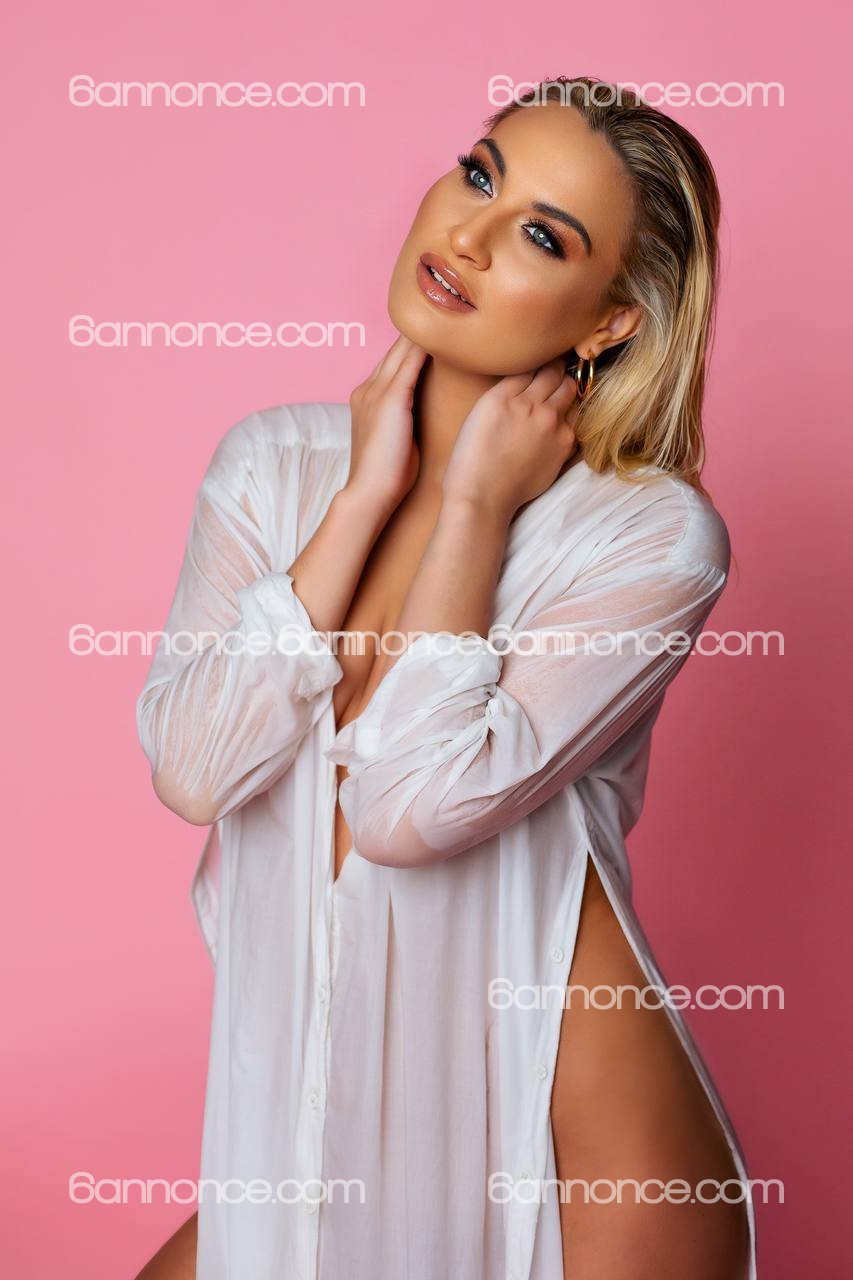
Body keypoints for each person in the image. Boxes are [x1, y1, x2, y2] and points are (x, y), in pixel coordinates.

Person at [134, 76, 755, 1280]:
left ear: (608, 323)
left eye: (540, 235)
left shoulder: (646, 538)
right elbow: (195, 770)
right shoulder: (273, 466)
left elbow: (405, 809)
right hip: (315, 1131)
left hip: (579, 1170)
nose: (466, 235)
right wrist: (363, 496)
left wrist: (473, 504)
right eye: (479, 174)